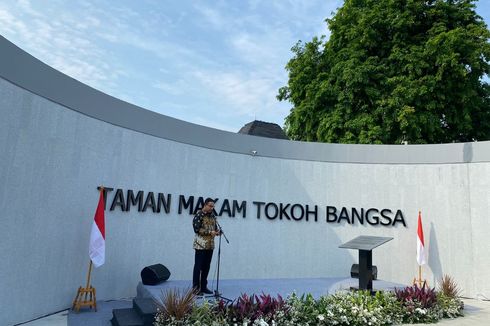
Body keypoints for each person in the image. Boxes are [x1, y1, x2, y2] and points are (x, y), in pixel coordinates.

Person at [192, 197, 220, 295]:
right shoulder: (199, 214)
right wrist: (209, 232)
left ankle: (203, 287)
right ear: (205, 205)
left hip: (210, 245)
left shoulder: (212, 216)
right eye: (210, 206)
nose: (212, 208)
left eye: (213, 206)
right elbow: (197, 229)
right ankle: (195, 288)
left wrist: (217, 232)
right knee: (198, 267)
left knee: (206, 267)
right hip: (200, 245)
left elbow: (215, 228)